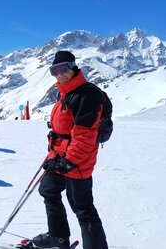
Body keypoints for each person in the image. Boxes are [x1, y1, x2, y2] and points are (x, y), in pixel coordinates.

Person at [20, 51, 108, 249]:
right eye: (54, 70)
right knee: (48, 190)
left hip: (77, 162)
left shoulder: (87, 95)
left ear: (73, 67)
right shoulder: (66, 93)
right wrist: (56, 156)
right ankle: (58, 238)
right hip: (59, 158)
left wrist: (69, 160)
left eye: (63, 68)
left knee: (83, 208)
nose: (59, 74)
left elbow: (85, 136)